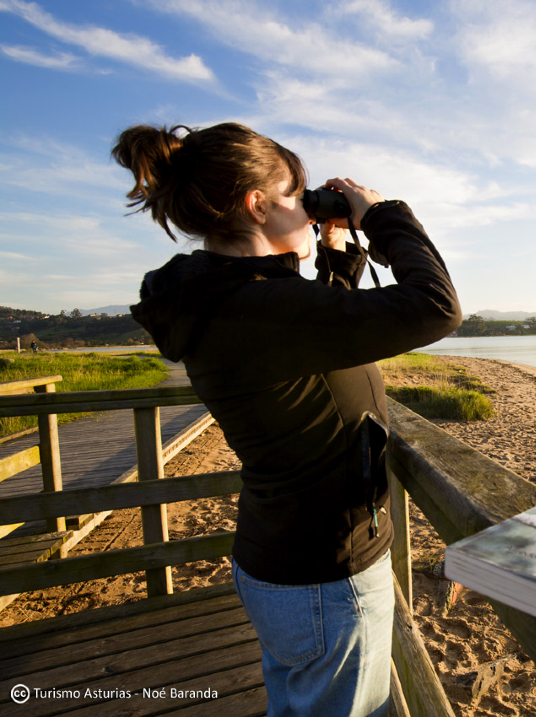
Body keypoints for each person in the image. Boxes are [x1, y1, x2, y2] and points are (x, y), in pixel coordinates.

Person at [114, 123, 461, 716]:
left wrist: (333, 250)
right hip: (324, 572)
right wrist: (385, 216)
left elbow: (318, 333)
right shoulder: (254, 308)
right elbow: (435, 308)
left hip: (288, 559)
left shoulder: (227, 302)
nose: (308, 205)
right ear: (256, 204)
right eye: (296, 193)